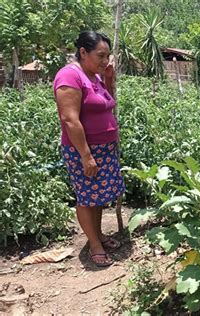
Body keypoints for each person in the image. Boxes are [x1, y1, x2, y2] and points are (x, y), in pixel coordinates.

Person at [53, 31, 125, 267]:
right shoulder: (69, 77)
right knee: (86, 197)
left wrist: (109, 80)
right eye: (101, 55)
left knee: (99, 196)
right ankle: (94, 245)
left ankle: (100, 235)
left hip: (103, 149)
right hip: (84, 151)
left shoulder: (94, 76)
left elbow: (107, 103)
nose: (105, 61)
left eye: (108, 56)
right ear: (83, 53)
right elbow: (70, 119)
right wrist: (86, 155)